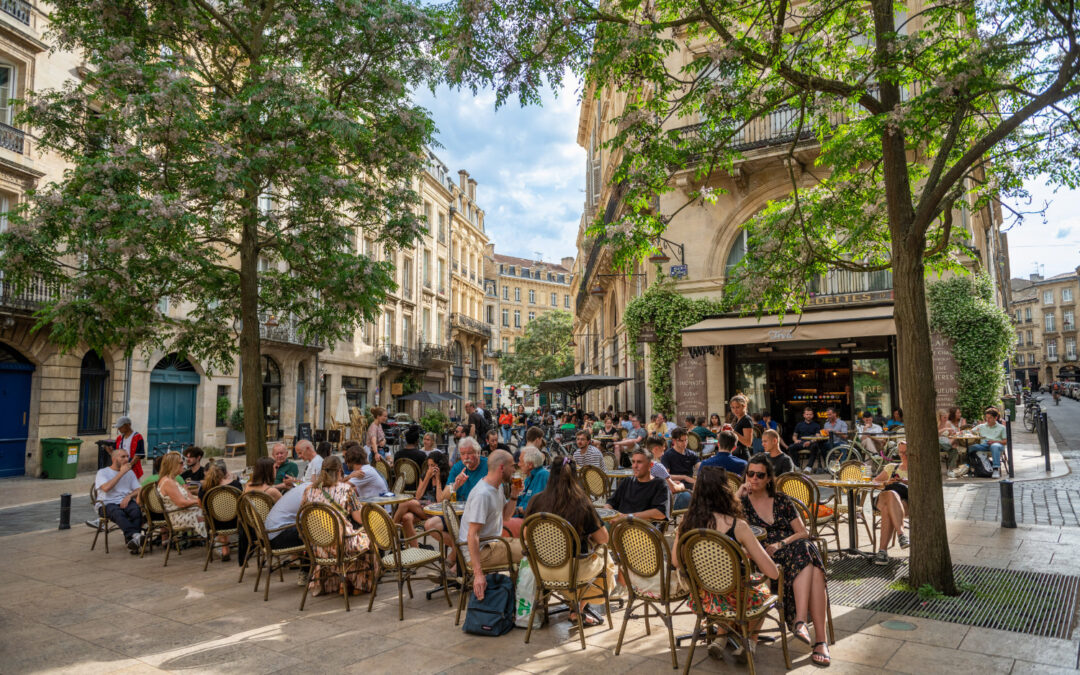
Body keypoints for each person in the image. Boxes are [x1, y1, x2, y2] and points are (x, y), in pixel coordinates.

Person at [673, 465, 779, 663]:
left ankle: (721, 639)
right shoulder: (738, 526)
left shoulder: (686, 522)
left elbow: (676, 561)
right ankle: (750, 643)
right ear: (725, 490)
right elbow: (772, 572)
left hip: (703, 597)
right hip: (737, 599)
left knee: (723, 586)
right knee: (762, 583)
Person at [739, 454, 830, 667]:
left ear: (769, 478)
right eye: (750, 474)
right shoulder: (742, 503)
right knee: (813, 565)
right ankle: (818, 639)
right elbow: (728, 522)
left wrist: (781, 543)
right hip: (763, 558)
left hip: (787, 548)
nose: (754, 479)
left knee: (806, 552)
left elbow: (803, 532)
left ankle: (802, 622)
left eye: (760, 475)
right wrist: (739, 491)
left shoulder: (781, 500)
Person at [524, 457, 611, 627]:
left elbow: (527, 535)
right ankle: (578, 609)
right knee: (605, 557)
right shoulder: (582, 503)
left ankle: (574, 606)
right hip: (572, 572)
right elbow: (603, 538)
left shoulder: (536, 501)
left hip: (542, 570)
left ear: (550, 475)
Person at [301, 456, 376, 596]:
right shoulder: (346, 490)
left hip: (318, 547)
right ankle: (359, 585)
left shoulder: (309, 490)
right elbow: (359, 518)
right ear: (339, 471)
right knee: (368, 538)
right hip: (341, 546)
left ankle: (343, 583)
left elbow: (303, 515)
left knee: (348, 538)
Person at [463, 450, 524, 600]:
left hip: (493, 543)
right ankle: (527, 602)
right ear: (502, 467)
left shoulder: (497, 486)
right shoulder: (482, 494)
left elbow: (506, 516)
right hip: (481, 551)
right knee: (531, 552)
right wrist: (478, 574)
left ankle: (517, 597)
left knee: (531, 546)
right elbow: (472, 534)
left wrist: (514, 495)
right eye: (512, 466)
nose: (514, 470)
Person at [421, 438, 489, 544]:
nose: (466, 457)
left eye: (469, 453)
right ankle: (459, 549)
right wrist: (455, 485)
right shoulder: (458, 467)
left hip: (480, 514)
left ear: (478, 453)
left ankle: (460, 551)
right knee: (430, 525)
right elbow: (442, 499)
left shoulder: (488, 465)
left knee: (470, 531)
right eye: (462, 454)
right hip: (459, 515)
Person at [94, 446, 145, 552]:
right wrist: (121, 473)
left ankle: (133, 543)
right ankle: (135, 536)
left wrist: (129, 496)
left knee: (136, 510)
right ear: (114, 459)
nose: (127, 459)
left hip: (124, 501)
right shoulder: (103, 472)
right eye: (123, 457)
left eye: (127, 456)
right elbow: (106, 488)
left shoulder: (130, 472)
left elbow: (138, 489)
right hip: (106, 503)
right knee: (118, 513)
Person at [263, 477, 312, 584]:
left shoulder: (303, 487)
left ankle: (311, 570)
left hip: (268, 536)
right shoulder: (310, 493)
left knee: (311, 529)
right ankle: (306, 572)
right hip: (277, 537)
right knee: (314, 531)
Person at [392, 448, 444, 545]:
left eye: (433, 465)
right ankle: (415, 550)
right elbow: (418, 496)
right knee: (406, 517)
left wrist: (438, 479)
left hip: (435, 510)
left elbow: (439, 500)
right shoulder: (425, 475)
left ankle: (391, 531)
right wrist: (427, 477)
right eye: (429, 465)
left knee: (405, 503)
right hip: (421, 508)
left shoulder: (445, 476)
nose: (430, 468)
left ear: (439, 465)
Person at [871, 441, 910, 565]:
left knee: (888, 510)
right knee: (891, 494)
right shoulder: (892, 467)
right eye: (901, 452)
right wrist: (887, 483)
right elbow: (874, 481)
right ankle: (901, 535)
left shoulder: (917, 470)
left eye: (906, 452)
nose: (903, 455)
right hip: (883, 498)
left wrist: (907, 482)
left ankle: (882, 553)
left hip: (903, 501)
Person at [606, 448, 669, 523]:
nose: (634, 466)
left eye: (639, 462)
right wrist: (610, 515)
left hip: (642, 528)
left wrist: (627, 517)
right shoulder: (627, 481)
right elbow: (610, 503)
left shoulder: (659, 484)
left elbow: (660, 513)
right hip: (619, 526)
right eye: (633, 462)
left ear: (650, 465)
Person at [156, 452, 207, 538]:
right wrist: (197, 501)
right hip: (178, 517)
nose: (184, 465)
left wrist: (198, 500)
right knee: (210, 515)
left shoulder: (172, 479)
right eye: (181, 463)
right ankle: (217, 540)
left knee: (210, 510)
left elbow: (187, 497)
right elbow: (181, 503)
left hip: (183, 512)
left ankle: (216, 539)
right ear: (173, 464)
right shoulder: (168, 482)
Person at [504, 446, 549, 537]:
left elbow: (537, 506)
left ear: (530, 465)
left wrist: (519, 510)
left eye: (520, 461)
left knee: (499, 525)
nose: (518, 464)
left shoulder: (542, 475)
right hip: (521, 518)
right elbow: (520, 498)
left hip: (532, 524)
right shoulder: (529, 477)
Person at [200, 459, 241, 561]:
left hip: (214, 525)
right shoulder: (235, 484)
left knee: (217, 515)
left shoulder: (204, 488)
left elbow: (201, 506)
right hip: (235, 523)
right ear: (225, 473)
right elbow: (241, 503)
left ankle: (224, 548)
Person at [645, 435, 690, 506]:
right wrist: (682, 486)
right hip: (658, 505)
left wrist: (672, 482)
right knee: (688, 495)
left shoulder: (641, 464)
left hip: (645, 501)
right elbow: (673, 489)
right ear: (656, 449)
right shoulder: (657, 466)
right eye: (662, 450)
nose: (663, 453)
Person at [661, 427, 698, 510]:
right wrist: (684, 477)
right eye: (681, 441)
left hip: (691, 486)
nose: (685, 443)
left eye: (686, 440)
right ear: (674, 441)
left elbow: (700, 467)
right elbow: (666, 476)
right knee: (688, 497)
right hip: (676, 488)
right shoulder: (667, 455)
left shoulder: (691, 454)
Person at [969, 407, 1007, 478]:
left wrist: (994, 442)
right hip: (984, 445)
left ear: (995, 418)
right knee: (971, 447)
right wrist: (963, 432)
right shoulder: (981, 426)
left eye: (990, 418)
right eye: (986, 417)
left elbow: (1005, 441)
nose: (987, 419)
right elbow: (969, 432)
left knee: (994, 446)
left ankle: (995, 469)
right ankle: (972, 466)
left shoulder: (1002, 428)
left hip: (997, 445)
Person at [787, 407, 824, 472]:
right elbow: (794, 436)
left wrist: (810, 442)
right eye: (807, 414)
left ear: (812, 415)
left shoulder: (816, 425)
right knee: (791, 447)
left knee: (815, 446)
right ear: (804, 415)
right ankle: (797, 466)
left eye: (810, 414)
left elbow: (818, 437)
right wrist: (795, 440)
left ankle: (809, 467)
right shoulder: (799, 425)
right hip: (801, 443)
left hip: (811, 443)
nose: (808, 416)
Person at [394, 426, 429, 491]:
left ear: (406, 440)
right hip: (418, 487)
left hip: (402, 487)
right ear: (417, 441)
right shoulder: (421, 455)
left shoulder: (397, 455)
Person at [114, 416, 146, 480]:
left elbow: (138, 455)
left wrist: (129, 465)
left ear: (128, 425)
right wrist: (109, 450)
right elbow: (115, 453)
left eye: (120, 427)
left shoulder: (138, 437)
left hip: (133, 470)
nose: (119, 429)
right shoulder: (119, 438)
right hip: (120, 469)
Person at [729, 395, 755, 460]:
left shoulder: (746, 419)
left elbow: (748, 443)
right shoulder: (737, 418)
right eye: (733, 407)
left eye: (737, 407)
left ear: (744, 406)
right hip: (736, 454)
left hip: (742, 456)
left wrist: (733, 432)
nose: (735, 410)